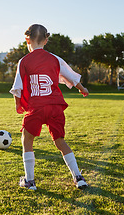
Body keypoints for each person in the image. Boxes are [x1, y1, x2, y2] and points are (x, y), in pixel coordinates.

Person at [10, 24, 89, 190]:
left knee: (27, 139)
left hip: (36, 107)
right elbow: (72, 76)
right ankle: (78, 177)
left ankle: (30, 181)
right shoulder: (55, 59)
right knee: (60, 141)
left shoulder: (23, 61)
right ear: (46, 40)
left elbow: (18, 87)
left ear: (27, 40)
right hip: (55, 106)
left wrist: (18, 105)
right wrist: (82, 89)